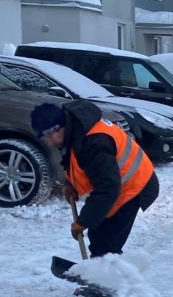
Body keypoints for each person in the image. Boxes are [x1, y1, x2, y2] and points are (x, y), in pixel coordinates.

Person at [31, 100, 158, 258]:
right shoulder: (75, 129)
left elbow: (107, 188)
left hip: (134, 186)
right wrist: (70, 183)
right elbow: (74, 159)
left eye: (46, 137)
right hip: (117, 182)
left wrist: (83, 222)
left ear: (57, 129)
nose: (47, 142)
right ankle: (101, 273)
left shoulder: (93, 143)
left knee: (107, 244)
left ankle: (110, 278)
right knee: (98, 235)